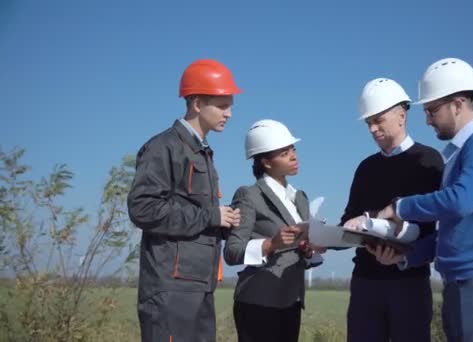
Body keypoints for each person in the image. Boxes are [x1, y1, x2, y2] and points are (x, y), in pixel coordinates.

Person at [374, 58, 473, 342]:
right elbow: (452, 228)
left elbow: (459, 202)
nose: (428, 119)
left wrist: (400, 207)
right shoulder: (458, 154)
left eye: (432, 110)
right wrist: (406, 255)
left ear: (457, 104)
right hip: (463, 286)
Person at [127, 59, 242, 342]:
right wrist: (210, 217)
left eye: (230, 105)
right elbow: (142, 208)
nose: (229, 113)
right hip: (170, 288)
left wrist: (222, 223)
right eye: (222, 105)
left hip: (199, 286)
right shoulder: (164, 147)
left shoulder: (202, 152)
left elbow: (194, 214)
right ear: (197, 103)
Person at [341, 78, 444, 342]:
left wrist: (402, 253)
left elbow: (436, 225)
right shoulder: (366, 168)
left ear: (402, 114)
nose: (373, 129)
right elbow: (348, 219)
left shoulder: (429, 161)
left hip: (408, 282)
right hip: (365, 281)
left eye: (378, 120)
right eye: (368, 123)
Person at [224, 119, 322, 342]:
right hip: (258, 303)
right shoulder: (248, 195)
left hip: (292, 301)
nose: (294, 156)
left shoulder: (300, 198)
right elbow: (232, 252)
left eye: (293, 149)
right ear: (266, 162)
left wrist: (308, 251)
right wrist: (271, 244)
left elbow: (300, 253)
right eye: (285, 152)